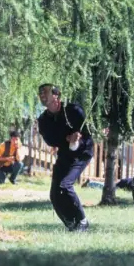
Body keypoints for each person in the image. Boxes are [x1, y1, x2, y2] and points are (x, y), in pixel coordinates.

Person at [37, 84, 93, 232]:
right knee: (54, 194)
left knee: (65, 185)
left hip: (82, 153)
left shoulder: (73, 110)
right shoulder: (43, 120)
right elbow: (51, 140)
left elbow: (87, 135)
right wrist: (67, 139)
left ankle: (82, 221)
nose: (42, 94)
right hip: (65, 154)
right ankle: (71, 224)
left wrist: (77, 141)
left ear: (56, 95)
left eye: (46, 92)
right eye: (40, 92)